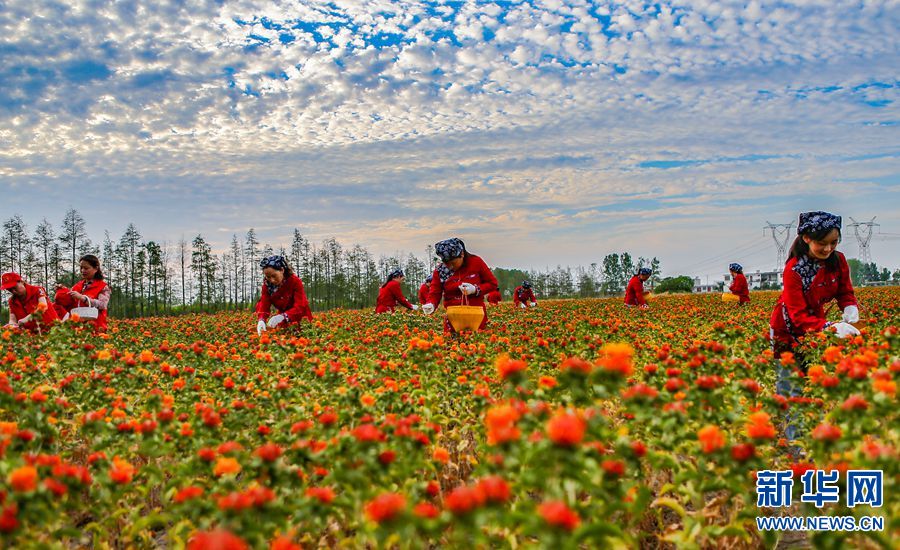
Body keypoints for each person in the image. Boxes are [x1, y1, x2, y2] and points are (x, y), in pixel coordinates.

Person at [769, 211, 859, 447]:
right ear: (807, 238)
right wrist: (830, 327)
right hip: (787, 332)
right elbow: (797, 316)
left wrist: (849, 306)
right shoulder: (794, 269)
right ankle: (796, 447)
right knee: (792, 387)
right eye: (822, 243)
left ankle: (819, 435)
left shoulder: (838, 261)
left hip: (816, 331)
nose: (828, 248)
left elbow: (844, 290)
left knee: (816, 381)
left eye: (834, 242)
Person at [422, 238, 498, 332]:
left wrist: (475, 289)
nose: (450, 267)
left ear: (462, 254)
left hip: (476, 317)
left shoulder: (476, 262)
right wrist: (431, 304)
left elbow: (492, 283)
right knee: (451, 344)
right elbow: (435, 291)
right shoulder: (441, 270)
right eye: (447, 264)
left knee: (476, 343)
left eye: (453, 263)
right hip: (453, 318)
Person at [255, 255, 313, 335]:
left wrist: (283, 316)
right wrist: (261, 319)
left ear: (282, 270)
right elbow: (264, 304)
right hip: (283, 319)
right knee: (284, 339)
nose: (272, 280)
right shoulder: (267, 286)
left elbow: (300, 306)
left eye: (274, 276)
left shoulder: (295, 282)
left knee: (303, 339)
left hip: (301, 317)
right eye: (268, 277)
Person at [53, 255, 111, 331]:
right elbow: (70, 302)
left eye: (86, 268)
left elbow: (102, 305)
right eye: (81, 268)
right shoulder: (77, 286)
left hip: (95, 327)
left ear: (96, 268)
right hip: (76, 327)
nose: (83, 270)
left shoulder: (103, 287)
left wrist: (83, 298)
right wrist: (63, 290)